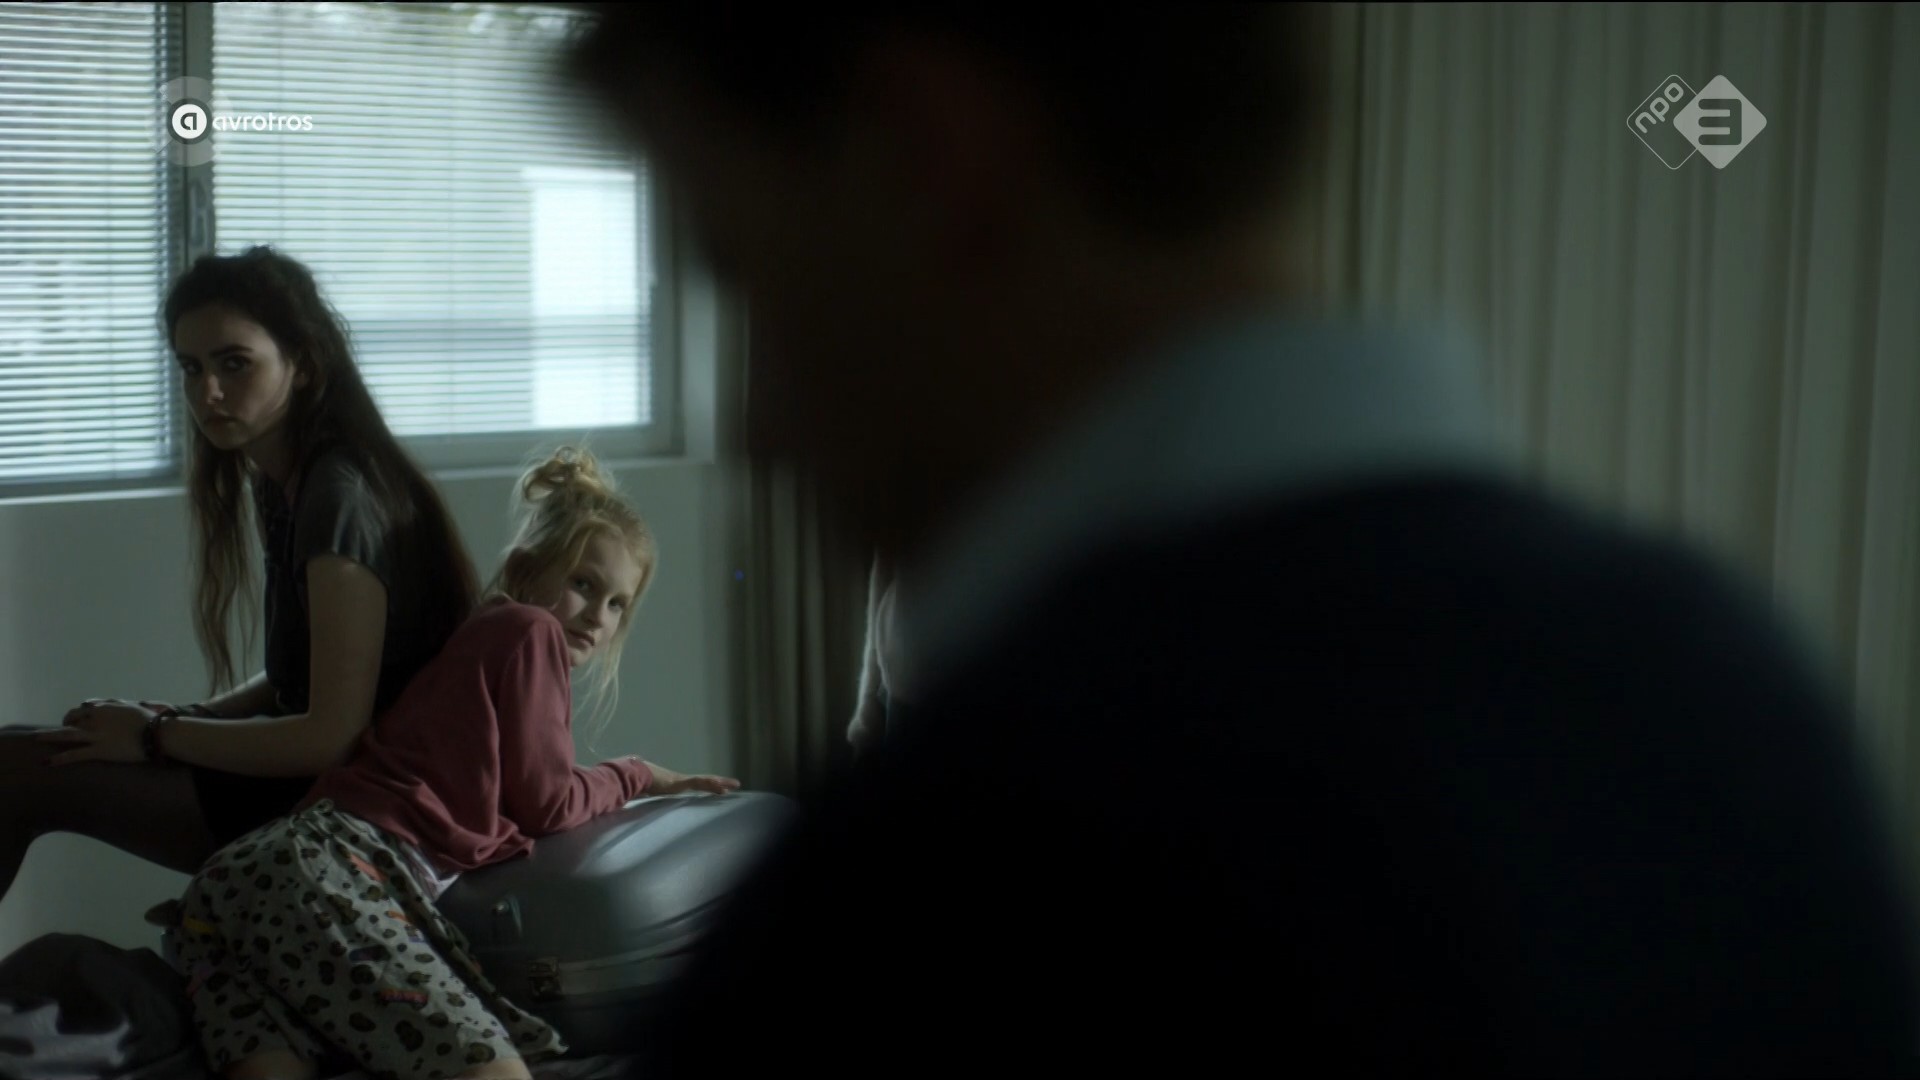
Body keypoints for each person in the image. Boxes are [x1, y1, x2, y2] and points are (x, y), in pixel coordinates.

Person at [564, 6, 1920, 1076]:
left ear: (928, 157)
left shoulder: (918, 903)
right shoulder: (1749, 713)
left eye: (740, 264)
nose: (756, 429)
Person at [171, 447, 740, 1080]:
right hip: (332, 871)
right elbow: (547, 802)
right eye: (584, 584)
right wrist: (639, 774)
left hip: (242, 878)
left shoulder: (483, 635)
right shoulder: (530, 632)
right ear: (526, 567)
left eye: (617, 604)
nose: (597, 617)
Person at [1, 246, 480, 902]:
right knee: (23, 746)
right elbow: (297, 676)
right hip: (304, 778)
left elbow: (331, 736)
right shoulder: (281, 480)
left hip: (346, 804)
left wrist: (157, 736)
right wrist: (183, 715)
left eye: (234, 363)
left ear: (303, 364)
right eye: (191, 368)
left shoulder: (339, 492)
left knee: (14, 771)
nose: (208, 392)